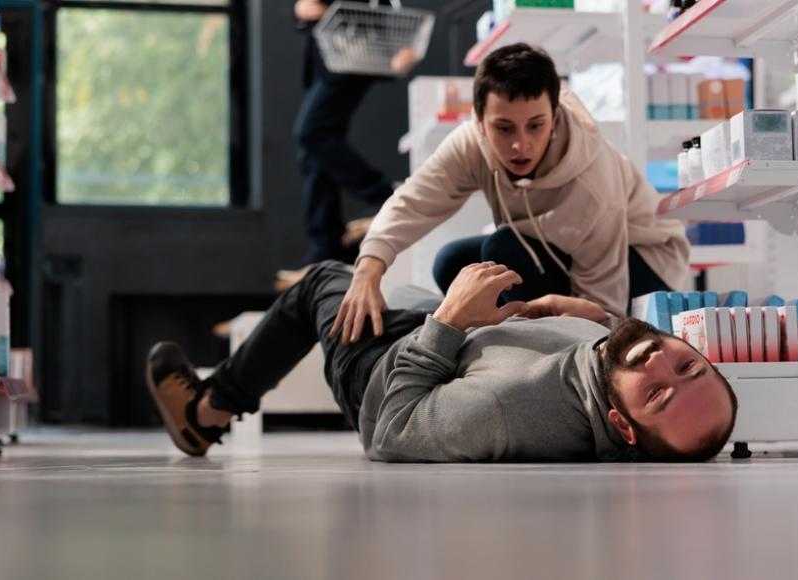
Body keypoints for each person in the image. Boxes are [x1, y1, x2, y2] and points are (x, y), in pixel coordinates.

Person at [145, 261, 738, 463]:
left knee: (321, 283)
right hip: (451, 342)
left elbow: (391, 431)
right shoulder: (615, 367)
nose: (662, 361)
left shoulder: (508, 412)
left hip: (379, 370)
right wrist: (598, 324)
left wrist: (449, 321)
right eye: (689, 367)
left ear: (620, 425)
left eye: (656, 394)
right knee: (374, 281)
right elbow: (635, 364)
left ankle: (207, 412)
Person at [333, 43, 691, 345]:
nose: (521, 144)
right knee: (454, 263)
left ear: (555, 115)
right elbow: (414, 202)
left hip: (644, 267)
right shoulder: (471, 143)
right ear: (479, 120)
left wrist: (576, 326)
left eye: (536, 125)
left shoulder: (592, 183)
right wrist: (367, 270)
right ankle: (513, 340)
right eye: (503, 128)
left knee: (503, 252)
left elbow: (604, 303)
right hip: (559, 253)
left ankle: (526, 359)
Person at [293, 0, 396, 264]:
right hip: (327, 45)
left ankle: (385, 197)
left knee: (312, 133)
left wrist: (319, 7)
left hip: (350, 44)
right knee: (313, 153)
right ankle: (326, 249)